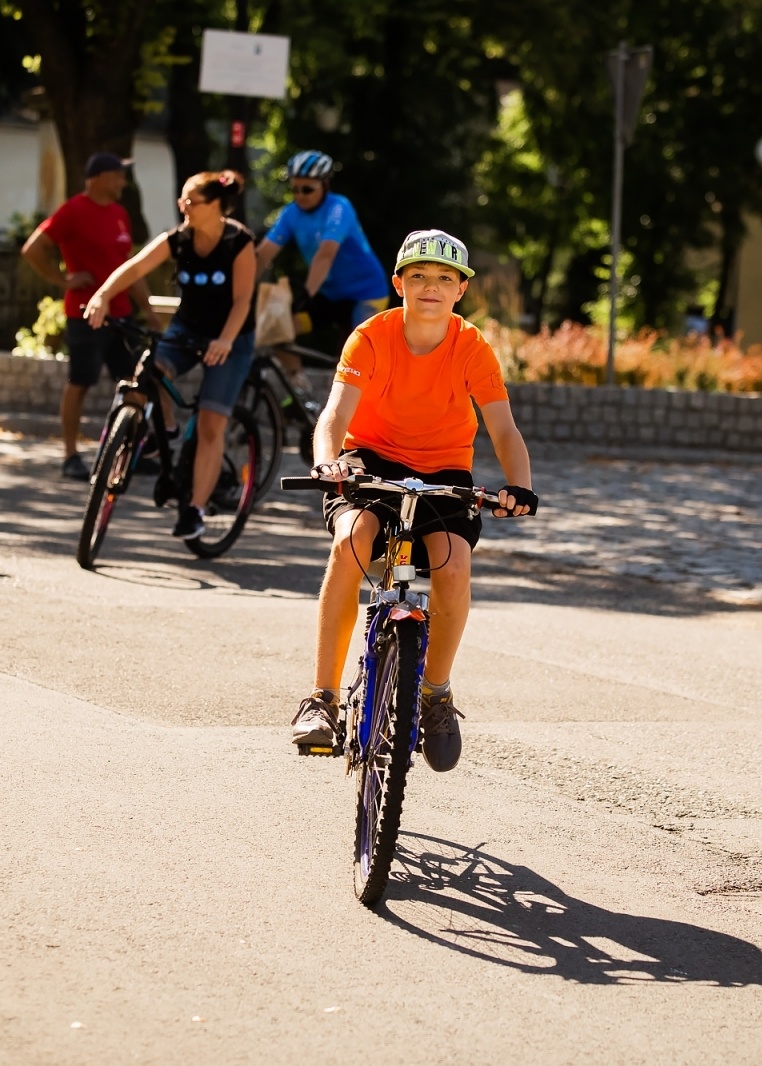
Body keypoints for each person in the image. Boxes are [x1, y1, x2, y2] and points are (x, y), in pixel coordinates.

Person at [291, 229, 538, 772]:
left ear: (460, 290)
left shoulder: (472, 346)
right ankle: (322, 700)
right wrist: (328, 461)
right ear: (399, 283)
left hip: (444, 469)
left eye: (445, 278)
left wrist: (518, 485)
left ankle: (435, 694)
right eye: (419, 275)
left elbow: (503, 428)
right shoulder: (371, 336)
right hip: (369, 458)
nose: (432, 286)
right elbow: (335, 414)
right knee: (350, 542)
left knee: (454, 565)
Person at [85, 170, 257, 539]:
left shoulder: (238, 242)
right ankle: (165, 428)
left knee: (211, 424)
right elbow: (135, 266)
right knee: (148, 373)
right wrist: (102, 295)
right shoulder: (179, 239)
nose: (184, 207)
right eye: (182, 200)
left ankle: (195, 510)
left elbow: (243, 300)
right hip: (186, 329)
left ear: (215, 205)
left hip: (231, 337)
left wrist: (225, 340)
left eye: (191, 201)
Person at [21, 152, 161, 480]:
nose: (123, 182)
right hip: (85, 314)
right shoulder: (73, 210)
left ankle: (131, 451)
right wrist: (62, 280)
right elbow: (33, 249)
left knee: (136, 382)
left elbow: (131, 268)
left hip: (121, 315)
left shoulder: (120, 214)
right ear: (101, 177)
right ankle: (70, 455)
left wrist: (149, 310)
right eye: (119, 175)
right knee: (80, 382)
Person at [255, 151, 391, 345]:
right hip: (329, 294)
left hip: (367, 293)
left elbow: (326, 255)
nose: (300, 195)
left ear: (325, 185)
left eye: (307, 189)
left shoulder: (339, 207)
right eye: (295, 189)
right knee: (277, 330)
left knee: (359, 348)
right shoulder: (290, 213)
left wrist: (306, 294)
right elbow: (263, 254)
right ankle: (290, 367)